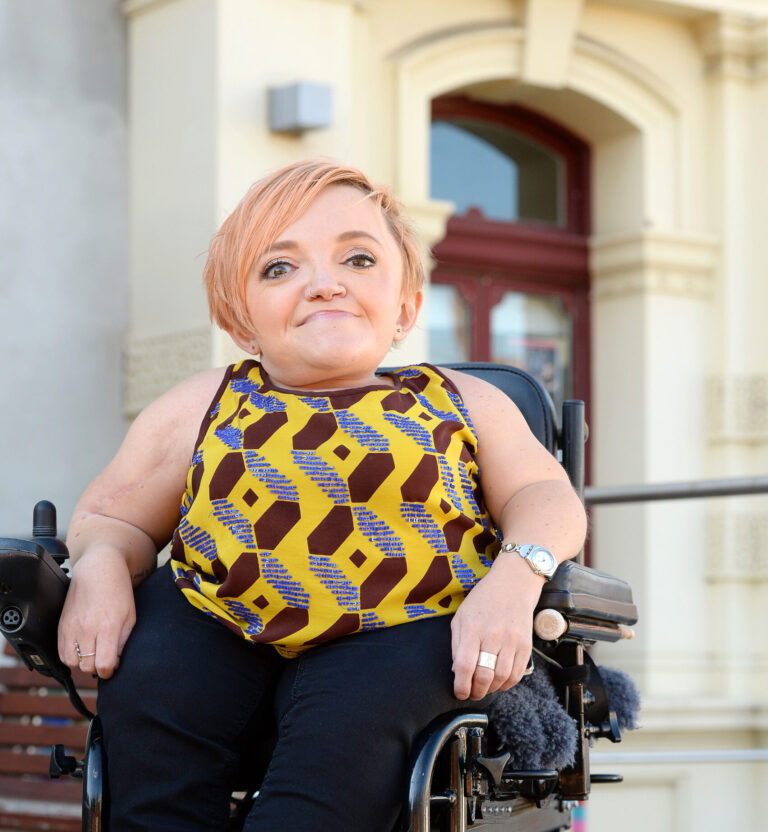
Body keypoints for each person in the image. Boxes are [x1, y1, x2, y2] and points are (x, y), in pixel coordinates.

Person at [58, 158, 587, 831]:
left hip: (403, 621)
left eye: (358, 260)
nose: (324, 285)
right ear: (241, 319)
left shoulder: (461, 399)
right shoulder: (204, 401)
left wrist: (514, 582)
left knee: (340, 756)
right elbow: (110, 515)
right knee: (155, 679)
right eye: (279, 269)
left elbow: (548, 496)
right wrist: (101, 565)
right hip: (215, 617)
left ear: (406, 306)